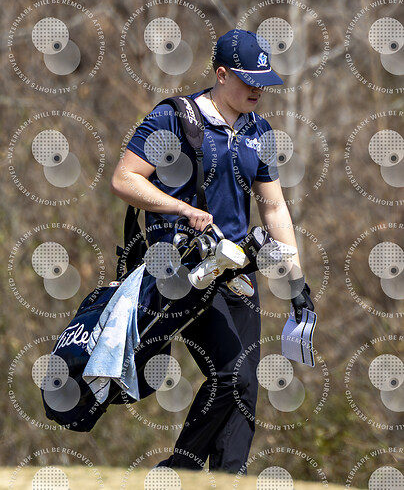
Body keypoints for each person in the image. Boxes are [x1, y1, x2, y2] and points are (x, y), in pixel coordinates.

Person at [111, 29, 313, 473]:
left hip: (238, 272)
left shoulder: (258, 130)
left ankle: (228, 480)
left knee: (246, 388)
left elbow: (274, 207)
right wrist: (181, 209)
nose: (258, 90)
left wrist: (296, 282)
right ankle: (177, 472)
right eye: (248, 81)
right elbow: (124, 179)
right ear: (221, 75)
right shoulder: (173, 119)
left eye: (264, 82)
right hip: (183, 271)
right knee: (232, 374)